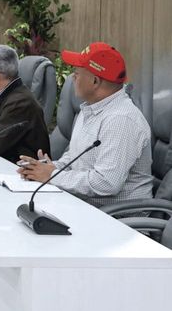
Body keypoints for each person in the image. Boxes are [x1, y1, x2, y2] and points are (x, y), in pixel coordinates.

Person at [18, 42, 153, 208]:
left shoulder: (121, 120)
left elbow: (106, 183)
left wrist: (52, 175)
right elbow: (75, 158)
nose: (72, 77)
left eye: (76, 73)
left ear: (95, 81)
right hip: (84, 205)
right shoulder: (90, 108)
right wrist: (46, 168)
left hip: (116, 216)